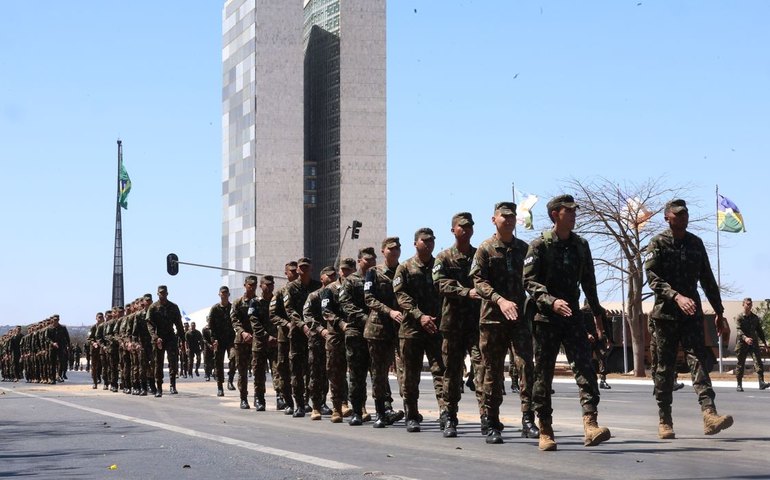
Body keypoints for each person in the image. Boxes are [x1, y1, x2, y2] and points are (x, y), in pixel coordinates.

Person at [523, 194, 611, 451]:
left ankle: (590, 424)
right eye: (568, 211)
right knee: (543, 374)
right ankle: (545, 429)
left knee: (585, 368)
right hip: (546, 318)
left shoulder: (581, 245)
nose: (573, 215)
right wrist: (550, 301)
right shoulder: (539, 246)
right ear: (555, 215)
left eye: (574, 211)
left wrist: (597, 316)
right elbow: (528, 282)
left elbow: (589, 283)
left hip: (572, 316)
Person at [645, 198, 733, 439]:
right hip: (665, 316)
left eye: (685, 214)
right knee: (664, 367)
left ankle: (709, 414)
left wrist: (719, 312)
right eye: (677, 214)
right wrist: (676, 296)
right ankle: (665, 419)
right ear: (667, 217)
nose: (683, 217)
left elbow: (707, 279)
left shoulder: (696, 243)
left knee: (698, 361)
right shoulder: (657, 244)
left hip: (691, 315)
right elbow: (653, 279)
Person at [472, 203, 541, 444]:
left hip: (519, 319)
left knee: (525, 366)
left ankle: (528, 419)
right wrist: (500, 300)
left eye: (512, 216)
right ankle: (491, 421)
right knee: (492, 371)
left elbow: (533, 278)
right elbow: (479, 283)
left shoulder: (524, 248)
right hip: (492, 319)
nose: (509, 220)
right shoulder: (485, 249)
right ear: (494, 219)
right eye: (505, 216)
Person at [435, 212, 484, 439]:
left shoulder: (479, 255)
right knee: (452, 373)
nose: (466, 230)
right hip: (453, 323)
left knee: (482, 370)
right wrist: (466, 292)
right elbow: (441, 284)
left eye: (469, 227)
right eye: (461, 227)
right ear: (453, 230)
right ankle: (450, 416)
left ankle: (487, 418)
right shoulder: (444, 257)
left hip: (476, 323)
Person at [393, 227, 446, 433]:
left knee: (441, 371)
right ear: (415, 243)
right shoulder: (405, 268)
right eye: (425, 240)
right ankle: (412, 414)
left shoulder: (440, 266)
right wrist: (419, 315)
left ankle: (445, 412)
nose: (429, 243)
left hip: (435, 327)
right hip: (411, 330)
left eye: (432, 240)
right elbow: (401, 297)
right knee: (410, 374)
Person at [364, 237, 406, 428]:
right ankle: (381, 411)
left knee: (406, 371)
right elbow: (369, 299)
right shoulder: (373, 272)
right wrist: (389, 311)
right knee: (379, 373)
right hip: (378, 329)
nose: (394, 251)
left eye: (397, 248)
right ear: (383, 251)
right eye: (391, 249)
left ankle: (410, 410)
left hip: (401, 328)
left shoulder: (404, 269)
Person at [339, 248, 379, 426]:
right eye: (366, 260)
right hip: (356, 331)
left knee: (378, 373)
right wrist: (365, 319)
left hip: (377, 332)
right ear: (359, 261)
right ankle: (356, 410)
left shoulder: (379, 279)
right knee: (356, 374)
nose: (370, 263)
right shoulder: (350, 281)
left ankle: (382, 410)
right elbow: (346, 304)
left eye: (373, 259)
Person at [283, 257, 323, 417]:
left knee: (315, 369)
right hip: (298, 334)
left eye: (306, 267)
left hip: (314, 333)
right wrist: (302, 325)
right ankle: (299, 404)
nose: (304, 270)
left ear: (311, 269)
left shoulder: (317, 286)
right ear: (298, 269)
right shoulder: (291, 287)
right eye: (301, 267)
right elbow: (290, 310)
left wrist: (315, 327)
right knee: (297, 370)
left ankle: (315, 403)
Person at [303, 267, 336, 420]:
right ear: (322, 278)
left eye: (333, 276)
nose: (331, 278)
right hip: (317, 339)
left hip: (333, 339)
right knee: (316, 372)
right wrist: (321, 329)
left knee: (329, 371)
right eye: (328, 276)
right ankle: (315, 403)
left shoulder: (337, 295)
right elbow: (307, 316)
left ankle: (324, 402)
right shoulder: (314, 296)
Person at [270, 261, 300, 413]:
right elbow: (273, 315)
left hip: (302, 335)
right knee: (283, 368)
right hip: (284, 337)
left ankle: (305, 401)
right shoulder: (281, 292)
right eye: (291, 271)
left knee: (303, 368)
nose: (294, 274)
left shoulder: (304, 290)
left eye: (296, 271)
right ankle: (287, 400)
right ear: (286, 273)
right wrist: (287, 324)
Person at [146, 285, 185, 397]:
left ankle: (173, 385)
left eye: (164, 293)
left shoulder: (173, 307)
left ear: (167, 294)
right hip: (158, 338)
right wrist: (155, 337)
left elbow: (179, 324)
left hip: (170, 337)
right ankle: (159, 388)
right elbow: (149, 325)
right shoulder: (153, 308)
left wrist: (182, 339)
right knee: (158, 363)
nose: (162, 295)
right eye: (160, 293)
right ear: (157, 294)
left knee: (173, 361)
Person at [251, 275, 279, 411]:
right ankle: (259, 398)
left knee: (278, 370)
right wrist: (266, 336)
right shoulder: (255, 302)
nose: (269, 287)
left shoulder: (277, 300)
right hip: (260, 343)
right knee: (259, 372)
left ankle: (280, 397)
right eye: (266, 284)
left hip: (275, 343)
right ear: (261, 286)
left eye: (271, 284)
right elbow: (254, 322)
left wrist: (277, 336)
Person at [231, 276, 259, 409]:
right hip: (241, 342)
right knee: (242, 371)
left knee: (257, 370)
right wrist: (243, 332)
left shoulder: (259, 302)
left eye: (254, 285)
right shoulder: (237, 302)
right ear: (245, 285)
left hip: (256, 340)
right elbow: (234, 320)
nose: (252, 287)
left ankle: (258, 398)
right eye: (249, 285)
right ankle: (243, 398)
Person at [734, 297, 768, 391]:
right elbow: (738, 330)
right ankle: (739, 384)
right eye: (747, 304)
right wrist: (745, 338)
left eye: (750, 304)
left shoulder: (755, 318)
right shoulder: (739, 317)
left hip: (753, 343)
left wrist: (765, 343)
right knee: (740, 364)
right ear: (743, 304)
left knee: (758, 362)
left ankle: (761, 382)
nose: (749, 306)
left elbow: (760, 331)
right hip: (742, 344)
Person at [208, 286, 235, 396]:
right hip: (219, 340)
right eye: (222, 293)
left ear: (228, 295)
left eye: (226, 293)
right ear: (219, 294)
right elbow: (211, 326)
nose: (224, 295)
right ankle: (220, 386)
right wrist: (213, 340)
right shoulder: (215, 309)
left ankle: (230, 380)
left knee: (234, 359)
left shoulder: (232, 307)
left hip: (231, 340)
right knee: (218, 363)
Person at [581, 303, 612, 390]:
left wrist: (609, 339)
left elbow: (606, 325)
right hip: (589, 338)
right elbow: (580, 325)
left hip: (600, 337)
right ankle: (588, 380)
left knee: (602, 356)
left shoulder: (600, 310)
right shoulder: (583, 311)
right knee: (588, 359)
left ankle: (603, 380)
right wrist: (587, 334)